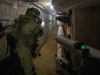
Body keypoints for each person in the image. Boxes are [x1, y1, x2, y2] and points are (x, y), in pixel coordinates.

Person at [6, 7, 43, 75]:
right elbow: (40, 33)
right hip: (24, 51)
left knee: (16, 69)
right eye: (36, 16)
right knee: (27, 70)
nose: (36, 18)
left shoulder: (19, 20)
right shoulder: (31, 22)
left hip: (14, 49)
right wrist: (39, 25)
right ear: (33, 15)